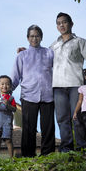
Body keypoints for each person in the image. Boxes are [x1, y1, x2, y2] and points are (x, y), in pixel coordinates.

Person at [51, 12, 86, 152]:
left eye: (64, 22)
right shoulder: (54, 45)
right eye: (58, 23)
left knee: (78, 117)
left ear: (71, 24)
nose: (61, 25)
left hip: (76, 84)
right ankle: (66, 148)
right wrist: (27, 52)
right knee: (62, 118)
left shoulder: (80, 41)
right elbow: (43, 59)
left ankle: (82, 146)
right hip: (58, 86)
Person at [11, 25, 55, 157]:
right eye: (31, 36)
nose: (34, 38)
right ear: (27, 38)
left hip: (48, 94)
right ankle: (28, 155)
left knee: (48, 127)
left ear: (41, 37)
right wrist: (8, 92)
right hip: (28, 94)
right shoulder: (22, 56)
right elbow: (15, 76)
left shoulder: (49, 53)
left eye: (37, 36)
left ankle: (48, 154)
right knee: (29, 127)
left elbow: (58, 69)